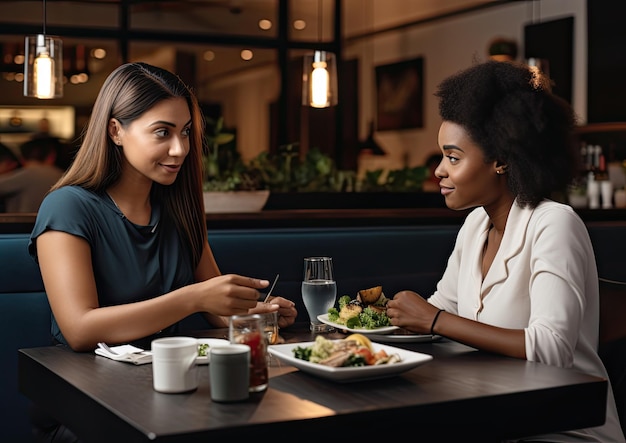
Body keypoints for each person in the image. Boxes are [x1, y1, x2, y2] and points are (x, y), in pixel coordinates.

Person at [27, 62, 297, 441]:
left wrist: (257, 314)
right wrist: (192, 298)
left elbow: (212, 306)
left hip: (174, 387)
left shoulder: (179, 208)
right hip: (89, 402)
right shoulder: (68, 206)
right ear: (115, 131)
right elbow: (79, 329)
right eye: (162, 132)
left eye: (186, 132)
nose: (180, 148)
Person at [385, 60, 625, 442]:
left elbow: (550, 349)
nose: (439, 172)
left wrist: (432, 320)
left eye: (453, 157)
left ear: (501, 160)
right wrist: (357, 325)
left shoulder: (553, 223)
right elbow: (439, 310)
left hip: (561, 429)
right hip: (495, 417)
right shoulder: (475, 226)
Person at [0, 137, 64, 212]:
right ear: (51, 156)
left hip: (23, 223)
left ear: (22, 158)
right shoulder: (62, 175)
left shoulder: (25, 175)